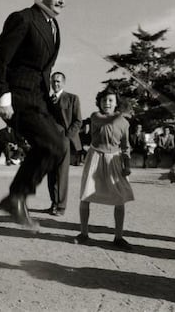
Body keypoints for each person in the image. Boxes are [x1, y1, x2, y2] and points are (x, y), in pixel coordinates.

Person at [0, 0, 67, 228]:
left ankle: (16, 197)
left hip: (40, 100)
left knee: (58, 146)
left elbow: (44, 69)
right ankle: (16, 197)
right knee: (53, 144)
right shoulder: (22, 18)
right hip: (20, 97)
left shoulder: (54, 27)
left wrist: (51, 97)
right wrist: (2, 97)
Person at [74, 88, 135, 250]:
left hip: (114, 160)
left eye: (110, 100)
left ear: (116, 103)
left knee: (120, 198)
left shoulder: (124, 123)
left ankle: (118, 237)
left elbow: (125, 146)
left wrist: (127, 164)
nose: (106, 103)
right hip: (95, 157)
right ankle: (84, 233)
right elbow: (105, 122)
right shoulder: (96, 117)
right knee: (86, 195)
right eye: (104, 100)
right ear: (99, 103)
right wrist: (121, 115)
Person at [47, 71, 82, 216]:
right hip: (49, 141)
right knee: (51, 174)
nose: (55, 84)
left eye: (58, 81)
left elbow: (78, 121)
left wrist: (67, 137)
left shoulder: (72, 98)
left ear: (63, 83)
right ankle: (53, 203)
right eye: (53, 81)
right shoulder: (47, 100)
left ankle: (61, 207)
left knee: (62, 174)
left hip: (64, 140)